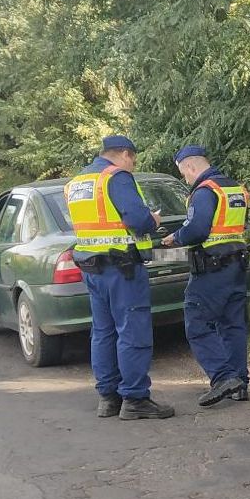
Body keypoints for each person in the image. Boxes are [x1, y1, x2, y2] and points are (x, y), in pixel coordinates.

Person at [65, 135, 175, 420]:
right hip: (122, 268)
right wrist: (153, 220)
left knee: (102, 332)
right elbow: (137, 220)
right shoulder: (116, 177)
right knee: (133, 331)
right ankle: (135, 398)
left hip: (92, 268)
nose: (133, 165)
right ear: (124, 154)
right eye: (133, 159)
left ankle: (108, 398)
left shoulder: (78, 183)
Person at [162, 145, 250, 406]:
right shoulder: (234, 188)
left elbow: (198, 230)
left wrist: (175, 237)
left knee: (196, 323)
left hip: (212, 269)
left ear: (190, 166)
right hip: (237, 265)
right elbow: (241, 224)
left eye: (184, 174)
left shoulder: (204, 192)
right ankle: (239, 383)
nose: (186, 179)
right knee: (232, 324)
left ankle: (223, 377)